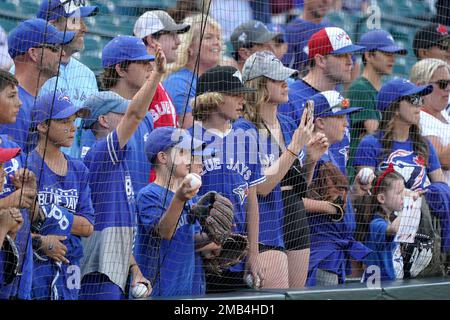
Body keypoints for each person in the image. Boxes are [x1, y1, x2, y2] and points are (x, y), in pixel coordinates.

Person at [237, 51, 337, 288]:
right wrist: (295, 147)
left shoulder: (289, 124)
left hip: (294, 217)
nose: (285, 83)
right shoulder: (244, 128)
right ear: (259, 85)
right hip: (265, 222)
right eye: (276, 79)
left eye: (285, 77)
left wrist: (310, 160)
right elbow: (261, 187)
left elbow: (300, 186)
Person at [79, 45, 166, 300]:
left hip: (116, 264)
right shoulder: (100, 153)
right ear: (104, 120)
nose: (130, 118)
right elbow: (137, 113)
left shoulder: (120, 157)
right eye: (122, 113)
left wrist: (135, 270)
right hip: (99, 268)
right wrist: (157, 75)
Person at [189, 65, 267, 291]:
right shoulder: (190, 139)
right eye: (235, 95)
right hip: (200, 255)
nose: (242, 100)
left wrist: (254, 253)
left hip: (237, 251)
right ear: (213, 98)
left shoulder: (248, 138)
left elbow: (252, 200)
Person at [135, 127, 215, 297]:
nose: (189, 158)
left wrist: (214, 237)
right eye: (182, 152)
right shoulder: (148, 195)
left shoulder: (191, 196)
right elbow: (164, 231)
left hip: (188, 288)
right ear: (162, 157)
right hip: (158, 290)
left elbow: (188, 238)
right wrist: (179, 198)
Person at [28, 92, 94, 300]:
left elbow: (88, 227)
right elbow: (16, 225)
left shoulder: (79, 169)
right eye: (65, 121)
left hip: (69, 268)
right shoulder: (26, 166)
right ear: (42, 126)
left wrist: (46, 212)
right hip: (34, 267)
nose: (73, 127)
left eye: (74, 121)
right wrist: (42, 240)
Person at [305, 90, 371, 286]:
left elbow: (337, 202)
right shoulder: (308, 154)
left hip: (334, 252)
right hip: (321, 252)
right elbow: (290, 199)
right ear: (320, 122)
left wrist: (355, 193)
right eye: (340, 116)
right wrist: (330, 208)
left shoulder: (329, 153)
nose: (346, 123)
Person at [279, 26, 365, 176]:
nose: (350, 62)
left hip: (337, 196)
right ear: (320, 60)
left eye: (351, 55)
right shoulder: (289, 99)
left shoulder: (340, 101)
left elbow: (340, 159)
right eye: (342, 55)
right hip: (303, 194)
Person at [84, 36, 156, 194]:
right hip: (109, 210)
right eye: (142, 63)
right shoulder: (99, 112)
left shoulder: (148, 117)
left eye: (149, 62)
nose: (150, 67)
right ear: (121, 69)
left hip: (138, 212)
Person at [354, 78, 446, 190]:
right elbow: (365, 192)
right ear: (395, 108)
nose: (419, 106)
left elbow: (442, 187)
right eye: (413, 100)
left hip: (419, 205)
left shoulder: (424, 144)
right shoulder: (370, 144)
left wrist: (426, 195)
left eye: (420, 100)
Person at [36, 0, 100, 159]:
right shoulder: (30, 70)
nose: (85, 29)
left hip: (76, 174)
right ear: (52, 26)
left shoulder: (87, 75)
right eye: (75, 21)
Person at [0, 18, 75, 152]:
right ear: (33, 53)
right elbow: (12, 165)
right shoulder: (14, 105)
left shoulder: (26, 99)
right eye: (55, 48)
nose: (62, 53)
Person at [346, 29, 408, 181]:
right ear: (368, 55)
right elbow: (377, 131)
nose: (392, 59)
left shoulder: (382, 90)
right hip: (361, 173)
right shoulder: (360, 87)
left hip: (381, 164)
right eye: (387, 54)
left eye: (393, 55)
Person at [0, 70, 37, 299]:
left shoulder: (10, 147)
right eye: (11, 95)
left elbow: (35, 215)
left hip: (19, 260)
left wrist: (30, 192)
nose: (20, 102)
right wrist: (11, 201)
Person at [134, 10, 191, 129]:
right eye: (171, 34)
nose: (178, 41)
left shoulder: (156, 79)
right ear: (152, 40)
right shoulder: (138, 81)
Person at [163, 14, 222, 129]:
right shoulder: (178, 82)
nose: (217, 43)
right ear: (190, 46)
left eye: (218, 38)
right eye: (208, 37)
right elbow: (192, 129)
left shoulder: (220, 80)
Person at [357, 166, 406, 282]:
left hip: (390, 282)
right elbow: (393, 229)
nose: (403, 197)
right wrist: (408, 207)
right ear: (382, 198)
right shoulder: (376, 223)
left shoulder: (389, 219)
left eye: (404, 192)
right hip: (375, 285)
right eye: (399, 193)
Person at [410, 58, 450, 185]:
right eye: (443, 84)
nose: (448, 88)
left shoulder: (444, 114)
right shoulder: (418, 118)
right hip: (440, 197)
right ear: (420, 86)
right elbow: (443, 160)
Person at [283, 0, 334, 72]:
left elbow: (353, 65)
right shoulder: (292, 31)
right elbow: (285, 71)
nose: (326, 1)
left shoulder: (332, 28)